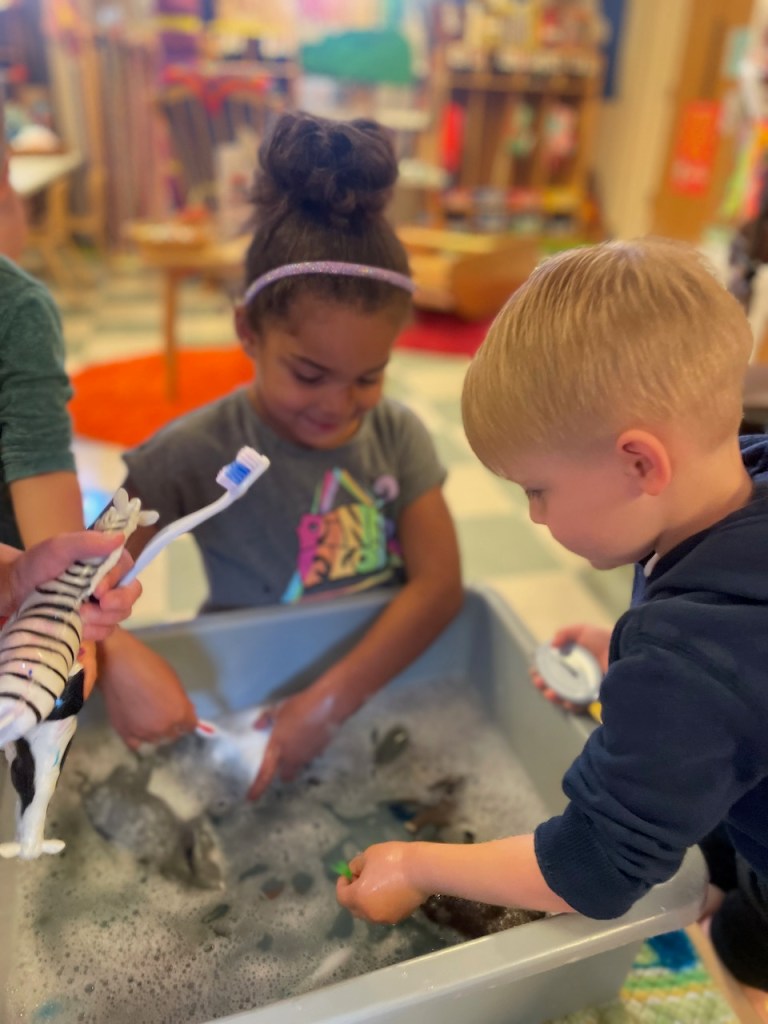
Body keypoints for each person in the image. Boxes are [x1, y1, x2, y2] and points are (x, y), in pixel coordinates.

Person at [336, 238, 768, 1014]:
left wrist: (415, 864)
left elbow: (592, 868)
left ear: (641, 464)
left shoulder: (687, 665)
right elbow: (737, 671)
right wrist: (629, 646)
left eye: (538, 490)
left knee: (741, 948)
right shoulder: (745, 479)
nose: (533, 516)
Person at [98, 111, 463, 789]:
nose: (338, 404)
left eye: (368, 377)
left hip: (372, 690)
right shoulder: (191, 453)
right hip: (245, 701)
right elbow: (77, 586)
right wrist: (116, 654)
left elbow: (440, 588)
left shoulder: (398, 437)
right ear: (248, 330)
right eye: (309, 374)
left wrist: (328, 702)